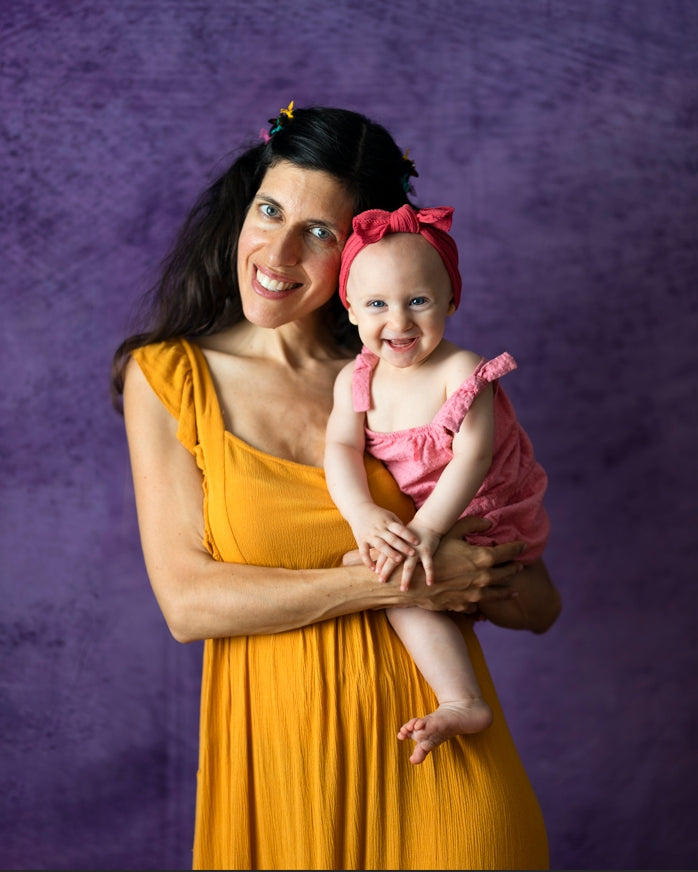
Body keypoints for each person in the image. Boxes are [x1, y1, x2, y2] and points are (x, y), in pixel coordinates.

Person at [112, 103, 561, 870]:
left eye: (320, 232)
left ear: (358, 258)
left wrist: (474, 575)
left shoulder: (408, 380)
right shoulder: (169, 379)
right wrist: (398, 585)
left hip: (444, 769)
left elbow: (540, 604)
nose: (279, 251)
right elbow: (189, 604)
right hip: (283, 776)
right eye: (270, 210)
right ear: (241, 210)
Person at [324, 203, 550, 765]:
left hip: (486, 510)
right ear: (350, 309)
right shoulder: (357, 379)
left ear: (451, 300)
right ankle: (460, 698)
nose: (398, 323)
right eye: (377, 304)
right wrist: (361, 513)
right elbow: (340, 448)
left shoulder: (461, 371)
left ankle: (462, 695)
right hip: (433, 518)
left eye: (418, 301)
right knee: (374, 569)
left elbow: (471, 459)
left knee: (381, 573)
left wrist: (424, 530)